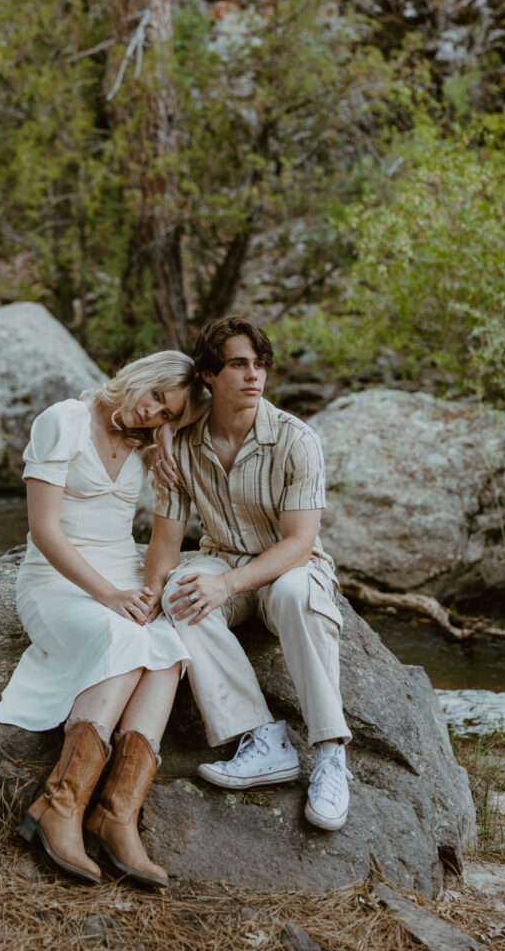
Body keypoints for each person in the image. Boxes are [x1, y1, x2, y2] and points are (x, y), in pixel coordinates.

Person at [0, 351, 205, 887]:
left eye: (166, 414)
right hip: (58, 583)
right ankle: (59, 806)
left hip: (123, 577)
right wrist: (110, 596)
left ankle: (116, 815)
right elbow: (44, 531)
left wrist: (168, 443)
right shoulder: (63, 421)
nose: (150, 414)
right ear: (138, 377)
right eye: (154, 397)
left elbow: (164, 534)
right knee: (123, 638)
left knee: (168, 655)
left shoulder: (148, 447)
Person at [144, 317, 353, 832]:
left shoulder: (296, 440)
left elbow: (300, 544)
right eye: (239, 364)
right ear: (209, 376)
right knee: (179, 592)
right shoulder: (183, 445)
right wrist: (148, 602)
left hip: (289, 568)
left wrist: (228, 585)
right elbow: (167, 542)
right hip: (222, 557)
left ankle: (330, 755)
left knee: (296, 592)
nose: (254, 375)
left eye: (259, 365)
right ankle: (262, 739)